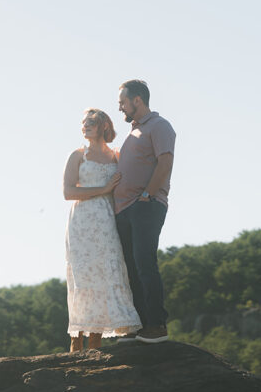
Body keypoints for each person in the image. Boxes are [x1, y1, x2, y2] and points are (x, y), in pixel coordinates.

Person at [63, 108, 142, 352]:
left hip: (107, 222)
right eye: (84, 122)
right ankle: (77, 339)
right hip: (82, 223)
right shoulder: (77, 156)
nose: (85, 126)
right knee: (83, 276)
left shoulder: (116, 156)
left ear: (104, 126)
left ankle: (95, 340)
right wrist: (104, 189)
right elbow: (68, 192)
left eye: (92, 122)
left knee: (107, 273)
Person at [114, 79, 176, 344]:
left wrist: (147, 195)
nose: (120, 108)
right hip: (125, 210)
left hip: (146, 206)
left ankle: (157, 325)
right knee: (131, 268)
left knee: (144, 263)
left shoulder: (160, 126)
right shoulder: (132, 133)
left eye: (122, 102)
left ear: (137, 100)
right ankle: (141, 326)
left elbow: (166, 162)